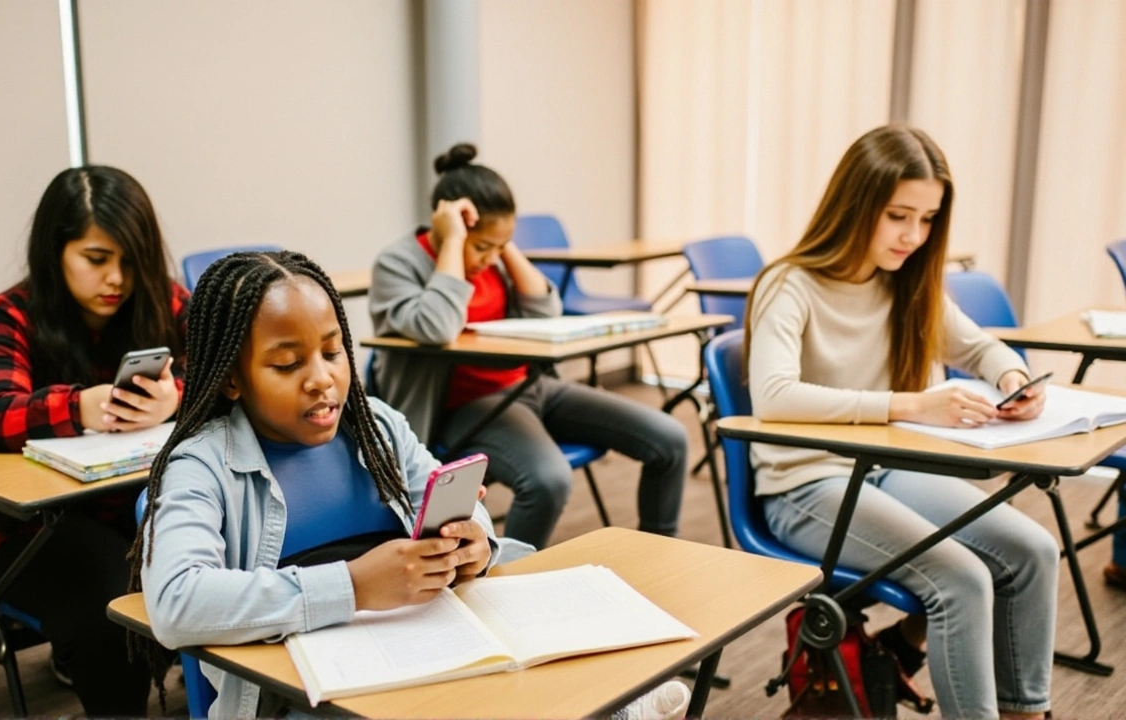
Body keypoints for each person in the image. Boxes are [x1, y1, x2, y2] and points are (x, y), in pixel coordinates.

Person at [130, 250, 689, 720]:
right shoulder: (198, 463)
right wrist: (352, 586)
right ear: (231, 377)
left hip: (414, 637)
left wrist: (475, 544)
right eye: (286, 364)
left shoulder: (377, 425)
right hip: (299, 681)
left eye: (332, 351)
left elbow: (447, 505)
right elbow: (178, 603)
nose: (323, 378)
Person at [745, 124, 1058, 719]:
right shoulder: (790, 285)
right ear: (856, 203)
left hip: (882, 470)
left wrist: (1015, 380)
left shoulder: (909, 283)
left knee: (1033, 550)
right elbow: (775, 396)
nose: (914, 235)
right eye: (898, 216)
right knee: (961, 581)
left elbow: (983, 349)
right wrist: (911, 403)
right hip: (805, 484)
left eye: (928, 219)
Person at [368, 143, 690, 549]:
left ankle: (661, 555)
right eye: (481, 247)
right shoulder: (398, 263)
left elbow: (545, 313)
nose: (489, 258)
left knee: (669, 439)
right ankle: (503, 578)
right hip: (468, 406)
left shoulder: (496, 259)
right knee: (548, 479)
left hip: (532, 387)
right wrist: (452, 244)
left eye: (499, 246)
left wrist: (502, 245)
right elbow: (435, 325)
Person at [0, 165, 188, 716]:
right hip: (42, 530)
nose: (117, 278)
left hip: (146, 510)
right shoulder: (10, 314)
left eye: (131, 261)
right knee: (109, 609)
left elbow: (225, 371)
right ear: (54, 250)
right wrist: (79, 406)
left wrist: (178, 395)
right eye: (96, 259)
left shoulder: (164, 301)